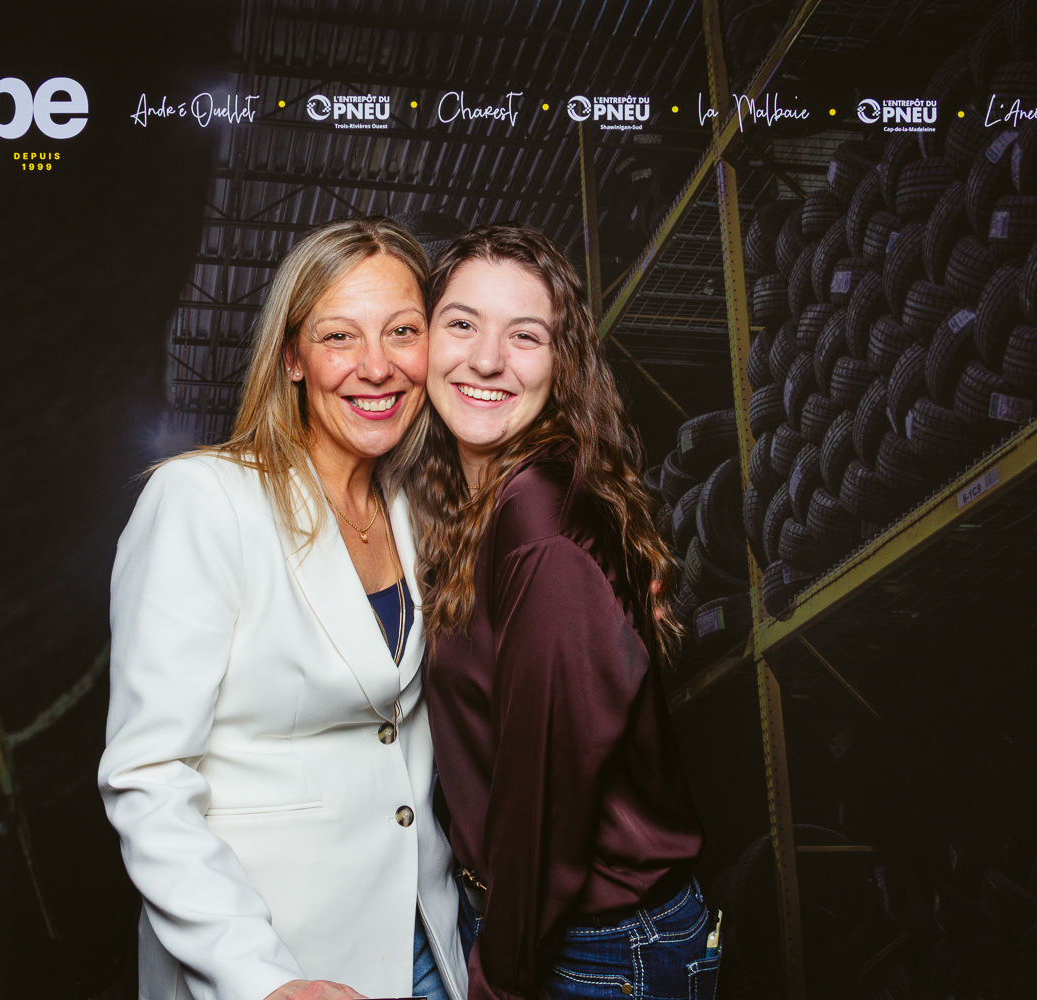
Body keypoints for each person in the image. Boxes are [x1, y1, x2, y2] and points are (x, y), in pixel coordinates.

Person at [99, 217, 466, 1000]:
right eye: (340, 336)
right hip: (273, 961)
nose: (377, 366)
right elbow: (147, 777)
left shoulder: (419, 508)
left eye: (403, 331)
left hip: (424, 945)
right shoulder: (202, 501)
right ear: (292, 356)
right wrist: (262, 980)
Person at [408, 224, 716, 1000]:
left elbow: (547, 797)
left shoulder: (538, 522)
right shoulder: (474, 502)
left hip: (596, 952)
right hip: (535, 923)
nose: (487, 360)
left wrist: (500, 982)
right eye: (463, 324)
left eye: (526, 335)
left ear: (562, 362)